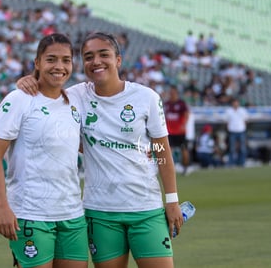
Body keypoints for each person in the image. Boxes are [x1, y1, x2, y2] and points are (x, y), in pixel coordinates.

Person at [17, 32, 183, 268]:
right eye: (88, 56)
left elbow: (161, 150)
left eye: (103, 54)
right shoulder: (74, 96)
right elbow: (47, 92)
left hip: (146, 207)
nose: (96, 61)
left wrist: (172, 200)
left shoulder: (146, 97)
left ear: (118, 59)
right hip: (100, 211)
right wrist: (27, 79)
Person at [0, 33, 88, 268]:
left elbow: (90, 144)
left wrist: (142, 149)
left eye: (66, 60)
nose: (59, 66)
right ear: (37, 63)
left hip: (72, 213)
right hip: (31, 213)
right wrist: (2, 206)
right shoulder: (19, 100)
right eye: (51, 59)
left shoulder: (76, 100)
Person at [164, 85, 191, 175]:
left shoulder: (181, 104)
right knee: (168, 151)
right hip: (169, 131)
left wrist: (184, 124)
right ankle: (169, 169)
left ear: (176, 93)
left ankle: (185, 168)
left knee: (184, 150)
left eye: (173, 92)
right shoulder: (167, 104)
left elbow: (187, 114)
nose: (171, 94)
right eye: (170, 93)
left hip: (180, 132)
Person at [224, 98, 248, 167]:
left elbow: (246, 120)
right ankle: (231, 163)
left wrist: (243, 128)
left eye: (236, 102)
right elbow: (226, 121)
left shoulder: (242, 110)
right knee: (232, 148)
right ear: (232, 103)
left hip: (241, 131)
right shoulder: (228, 111)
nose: (235, 104)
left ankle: (241, 163)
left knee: (242, 148)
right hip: (232, 131)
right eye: (234, 102)